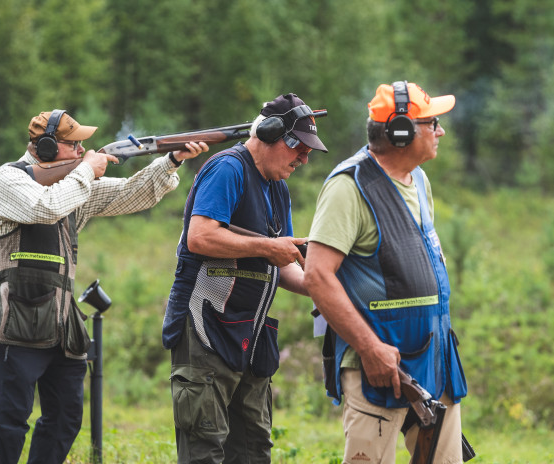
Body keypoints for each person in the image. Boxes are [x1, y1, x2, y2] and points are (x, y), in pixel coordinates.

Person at [0, 109, 209, 463]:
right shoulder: (8, 179)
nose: (82, 151)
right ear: (47, 146)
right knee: (11, 419)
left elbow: (132, 193)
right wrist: (87, 170)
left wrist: (172, 159)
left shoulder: (72, 185)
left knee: (66, 418)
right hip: (18, 320)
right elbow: (46, 207)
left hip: (61, 323)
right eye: (74, 145)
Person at [304, 81, 467, 463]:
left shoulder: (419, 181)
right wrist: (369, 347)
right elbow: (317, 276)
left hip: (432, 357)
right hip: (377, 364)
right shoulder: (349, 188)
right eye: (432, 123)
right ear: (401, 132)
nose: (440, 131)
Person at [161, 93, 328, 463]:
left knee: (253, 451)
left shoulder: (277, 186)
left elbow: (281, 261)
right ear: (270, 135)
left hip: (249, 338)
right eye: (299, 148)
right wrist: (270, 248)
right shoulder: (228, 169)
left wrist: (324, 284)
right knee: (205, 449)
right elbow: (200, 236)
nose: (304, 158)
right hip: (207, 330)